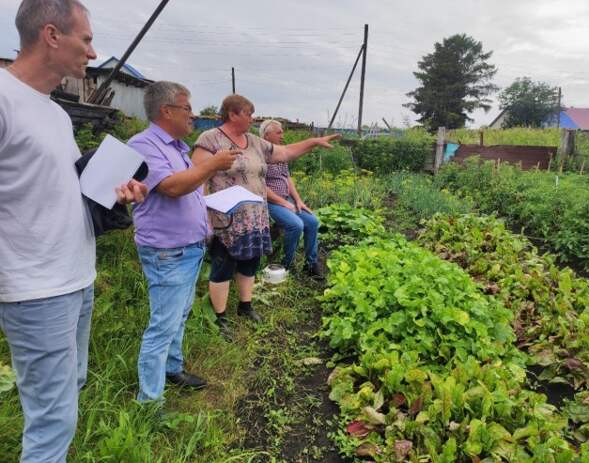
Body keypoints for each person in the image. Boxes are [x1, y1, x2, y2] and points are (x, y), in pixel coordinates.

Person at [0, 1, 147, 462]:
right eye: (85, 39)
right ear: (51, 35)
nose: (92, 50)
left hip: (75, 277)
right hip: (34, 287)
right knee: (51, 421)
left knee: (70, 391)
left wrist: (115, 191)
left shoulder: (55, 113)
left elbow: (58, 190)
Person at [192, 95, 339, 337]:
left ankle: (245, 306)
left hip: (254, 216)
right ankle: (219, 317)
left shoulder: (254, 142)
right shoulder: (210, 139)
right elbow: (198, 177)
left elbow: (286, 152)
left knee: (250, 262)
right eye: (248, 114)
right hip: (226, 218)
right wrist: (202, 215)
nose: (252, 118)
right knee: (223, 266)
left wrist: (313, 141)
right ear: (232, 114)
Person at [128, 81, 239, 402]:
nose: (193, 116)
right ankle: (149, 400)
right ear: (166, 110)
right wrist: (212, 165)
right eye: (187, 108)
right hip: (168, 252)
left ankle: (172, 369)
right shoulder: (143, 144)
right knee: (163, 324)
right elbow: (172, 187)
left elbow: (191, 190)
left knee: (179, 314)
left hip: (188, 247)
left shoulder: (177, 147)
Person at [260, 119, 323, 278]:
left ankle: (310, 265)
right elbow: (260, 187)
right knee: (296, 225)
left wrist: (298, 201)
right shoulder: (260, 154)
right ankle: (285, 265)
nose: (283, 135)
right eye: (279, 132)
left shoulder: (280, 153)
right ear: (267, 135)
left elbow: (287, 178)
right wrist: (284, 203)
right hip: (270, 202)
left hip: (286, 199)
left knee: (313, 222)